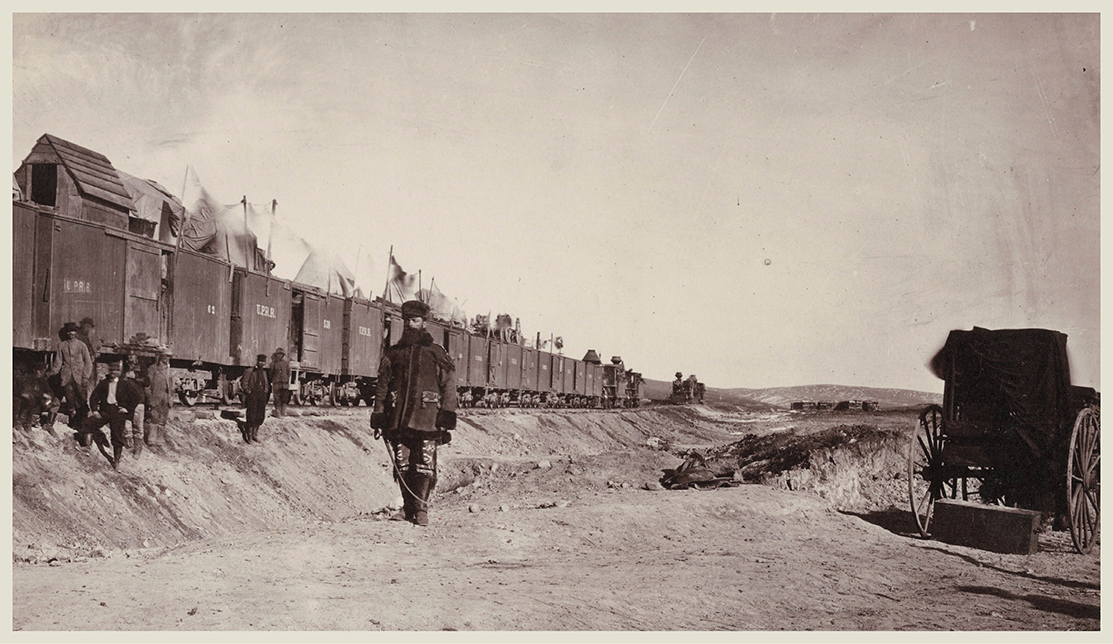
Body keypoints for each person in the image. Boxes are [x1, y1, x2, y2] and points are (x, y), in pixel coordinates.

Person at [371, 300, 458, 526]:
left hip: (428, 419)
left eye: (415, 320)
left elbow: (449, 384)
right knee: (402, 465)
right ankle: (407, 509)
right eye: (407, 320)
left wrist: (446, 415)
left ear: (424, 322)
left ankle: (421, 510)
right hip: (397, 419)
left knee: (425, 465)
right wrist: (379, 413)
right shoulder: (394, 353)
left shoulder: (436, 352)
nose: (410, 324)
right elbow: (382, 385)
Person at [82, 361, 145, 470]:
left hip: (118, 413)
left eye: (116, 371)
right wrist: (95, 410)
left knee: (117, 436)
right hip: (105, 412)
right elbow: (94, 397)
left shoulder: (125, 384)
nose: (113, 373)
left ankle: (116, 461)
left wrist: (127, 409)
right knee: (88, 424)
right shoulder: (104, 383)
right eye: (112, 371)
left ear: (119, 372)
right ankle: (87, 447)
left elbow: (137, 398)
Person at [50, 322, 94, 428]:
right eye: (69, 331)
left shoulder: (81, 345)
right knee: (70, 399)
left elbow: (88, 362)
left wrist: (85, 377)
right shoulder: (61, 346)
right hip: (66, 377)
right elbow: (58, 362)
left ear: (76, 333)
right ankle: (73, 423)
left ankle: (84, 424)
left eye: (73, 331)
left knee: (81, 399)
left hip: (79, 377)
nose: (71, 333)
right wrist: (53, 372)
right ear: (66, 333)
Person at [145, 350, 174, 447]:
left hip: (165, 396)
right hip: (156, 396)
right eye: (165, 356)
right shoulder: (153, 369)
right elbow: (147, 385)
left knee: (163, 419)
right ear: (160, 357)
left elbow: (171, 385)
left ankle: (160, 438)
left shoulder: (169, 370)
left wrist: (171, 397)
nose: (167, 358)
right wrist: (150, 398)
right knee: (154, 417)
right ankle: (152, 438)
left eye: (168, 357)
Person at [240, 354, 271, 443]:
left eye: (263, 362)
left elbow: (266, 384)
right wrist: (248, 392)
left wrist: (265, 391)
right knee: (251, 415)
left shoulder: (264, 372)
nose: (262, 363)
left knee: (260, 416)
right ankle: (249, 436)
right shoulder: (250, 371)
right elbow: (244, 383)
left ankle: (255, 434)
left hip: (261, 396)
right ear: (257, 361)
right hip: (252, 395)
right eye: (260, 361)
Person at [270, 347, 292, 418]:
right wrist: (274, 380)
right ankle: (278, 413)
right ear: (276, 355)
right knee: (277, 398)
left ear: (283, 355)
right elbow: (271, 374)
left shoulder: (285, 363)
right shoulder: (273, 364)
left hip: (285, 384)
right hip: (276, 384)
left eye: (281, 354)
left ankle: (283, 412)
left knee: (285, 398)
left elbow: (289, 373)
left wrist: (285, 379)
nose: (279, 356)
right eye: (278, 354)